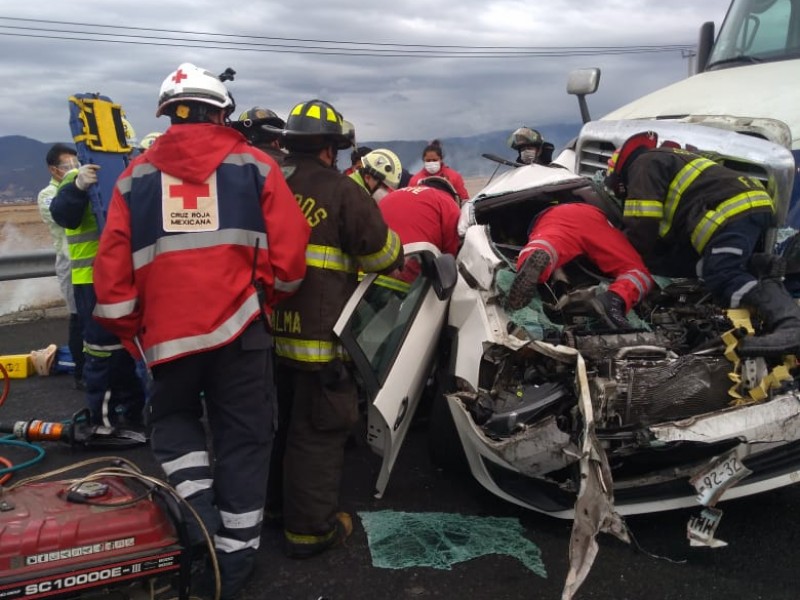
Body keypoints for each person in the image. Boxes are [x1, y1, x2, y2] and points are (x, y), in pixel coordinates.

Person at [91, 62, 311, 599]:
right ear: (221, 111)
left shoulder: (134, 176)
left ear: (167, 113)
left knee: (173, 423)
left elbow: (113, 278)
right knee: (246, 436)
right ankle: (234, 558)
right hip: (242, 329)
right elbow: (290, 259)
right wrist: (260, 299)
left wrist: (137, 335)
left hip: (167, 336)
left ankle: (201, 518)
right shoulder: (257, 166)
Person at [270, 98, 403, 559]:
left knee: (278, 426)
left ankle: (273, 511)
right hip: (319, 341)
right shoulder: (342, 191)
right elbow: (383, 257)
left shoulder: (269, 183)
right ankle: (309, 532)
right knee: (318, 433)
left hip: (266, 333)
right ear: (332, 148)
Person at [606, 130, 800, 355]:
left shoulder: (643, 163)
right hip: (742, 208)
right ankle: (756, 265)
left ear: (619, 178)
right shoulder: (665, 162)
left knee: (723, 274)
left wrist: (622, 255)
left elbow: (643, 225)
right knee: (705, 268)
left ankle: (790, 325)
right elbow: (666, 241)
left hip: (733, 210)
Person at [50, 161, 145, 429]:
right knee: (103, 351)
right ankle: (102, 421)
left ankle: (134, 412)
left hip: (125, 275)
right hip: (92, 280)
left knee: (129, 348)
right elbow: (63, 214)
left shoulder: (129, 172)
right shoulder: (76, 178)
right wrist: (79, 188)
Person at [505, 201, 655, 329]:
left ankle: (534, 256)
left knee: (546, 244)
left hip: (553, 218)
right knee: (637, 270)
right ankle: (615, 298)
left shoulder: (544, 218)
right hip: (594, 216)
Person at [37, 143, 84, 388]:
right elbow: (63, 217)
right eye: (68, 165)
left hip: (89, 261)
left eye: (77, 163)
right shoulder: (47, 195)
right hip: (70, 264)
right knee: (77, 318)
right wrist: (75, 187)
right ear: (54, 169)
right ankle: (80, 373)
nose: (74, 169)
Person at [379, 175, 461, 255]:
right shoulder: (446, 200)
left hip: (378, 256)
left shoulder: (394, 193)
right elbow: (451, 251)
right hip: (414, 258)